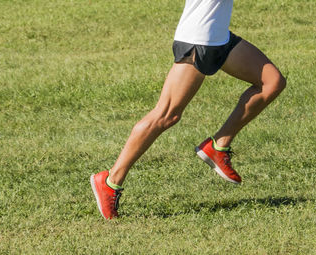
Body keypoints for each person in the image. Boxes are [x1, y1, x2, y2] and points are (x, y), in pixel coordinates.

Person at [89, 0, 286, 220]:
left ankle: (218, 146)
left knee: (272, 82)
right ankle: (110, 181)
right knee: (166, 115)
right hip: (198, 39)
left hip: (219, 36)